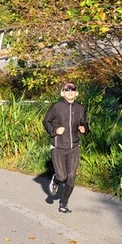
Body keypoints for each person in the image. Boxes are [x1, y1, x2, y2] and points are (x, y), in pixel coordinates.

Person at [41, 81, 87, 213]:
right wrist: (55, 130)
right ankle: (55, 179)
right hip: (58, 147)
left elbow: (85, 124)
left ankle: (63, 204)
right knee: (62, 176)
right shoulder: (56, 107)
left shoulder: (81, 108)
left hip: (74, 147)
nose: (70, 92)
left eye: (72, 89)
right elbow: (46, 121)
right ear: (62, 93)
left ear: (76, 93)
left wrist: (84, 129)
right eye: (67, 90)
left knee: (71, 176)